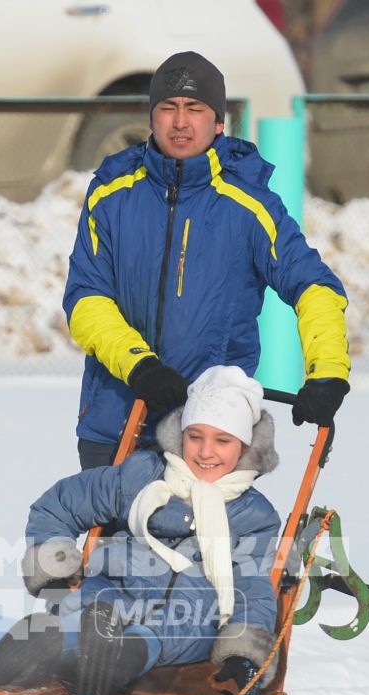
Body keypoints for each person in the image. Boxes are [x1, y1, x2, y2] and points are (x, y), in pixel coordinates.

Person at [64, 51, 352, 469]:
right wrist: (140, 367)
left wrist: (327, 374)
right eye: (168, 108)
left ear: (218, 122)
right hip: (115, 422)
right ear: (151, 118)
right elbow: (86, 297)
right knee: (108, 537)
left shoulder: (248, 204)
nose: (180, 122)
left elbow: (315, 286)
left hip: (209, 432)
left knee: (210, 537)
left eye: (195, 109)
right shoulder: (110, 194)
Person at [0, 366, 283, 695]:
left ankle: (116, 656)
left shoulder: (254, 516)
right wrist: (53, 563)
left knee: (174, 629)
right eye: (195, 436)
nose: (205, 452)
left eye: (222, 441)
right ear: (180, 433)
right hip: (113, 597)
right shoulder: (141, 476)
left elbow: (252, 588)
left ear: (245, 447)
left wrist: (243, 657)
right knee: (90, 607)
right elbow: (62, 502)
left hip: (191, 618)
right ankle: (46, 643)